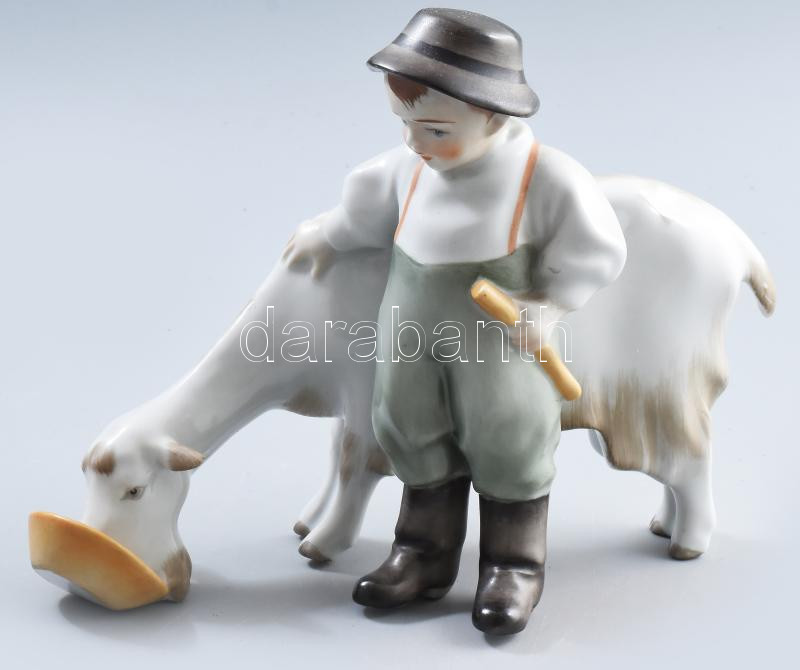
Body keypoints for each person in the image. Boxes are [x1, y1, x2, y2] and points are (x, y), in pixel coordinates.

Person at [283, 8, 627, 635]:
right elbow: (360, 216)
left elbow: (598, 249)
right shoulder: (407, 168)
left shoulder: (544, 178)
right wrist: (325, 235)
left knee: (508, 432)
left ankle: (514, 564)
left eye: (437, 129)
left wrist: (550, 305)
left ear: (494, 115)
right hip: (411, 329)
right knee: (408, 422)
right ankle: (422, 553)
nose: (416, 142)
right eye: (405, 124)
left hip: (497, 341)